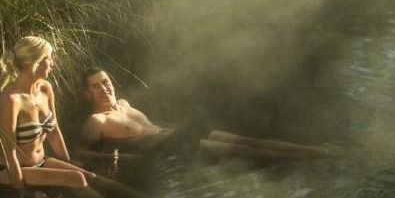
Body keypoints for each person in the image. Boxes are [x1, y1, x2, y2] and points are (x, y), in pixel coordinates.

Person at [0, 36, 151, 198]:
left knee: (90, 175)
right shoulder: (11, 100)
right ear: (34, 62)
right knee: (76, 179)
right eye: (49, 58)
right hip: (9, 171)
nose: (52, 63)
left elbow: (53, 131)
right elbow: (9, 152)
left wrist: (68, 163)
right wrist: (21, 191)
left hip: (40, 162)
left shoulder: (45, 88)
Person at [79, 68, 334, 162]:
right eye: (96, 86)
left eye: (105, 82)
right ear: (87, 95)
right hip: (169, 148)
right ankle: (311, 158)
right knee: (244, 151)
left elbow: (152, 125)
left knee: (245, 140)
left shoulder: (124, 103)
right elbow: (80, 152)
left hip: (177, 134)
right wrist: (117, 157)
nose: (104, 88)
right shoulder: (96, 122)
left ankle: (315, 150)